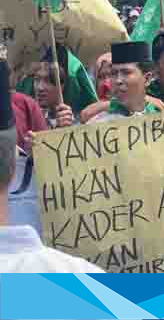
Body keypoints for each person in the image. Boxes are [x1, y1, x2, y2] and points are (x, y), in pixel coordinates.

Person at [0, 51, 103, 272]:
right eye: (36, 79)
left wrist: (66, 138)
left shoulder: (83, 121)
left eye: (51, 80)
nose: (40, 87)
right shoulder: (21, 108)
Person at [17, 45, 97, 128]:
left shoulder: (81, 121)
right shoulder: (30, 121)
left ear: (62, 85)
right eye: (37, 79)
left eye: (47, 81)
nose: (40, 88)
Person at [87, 42, 161, 123]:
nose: (118, 80)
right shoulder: (98, 123)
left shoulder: (163, 117)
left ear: (147, 79)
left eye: (126, 72)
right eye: (114, 73)